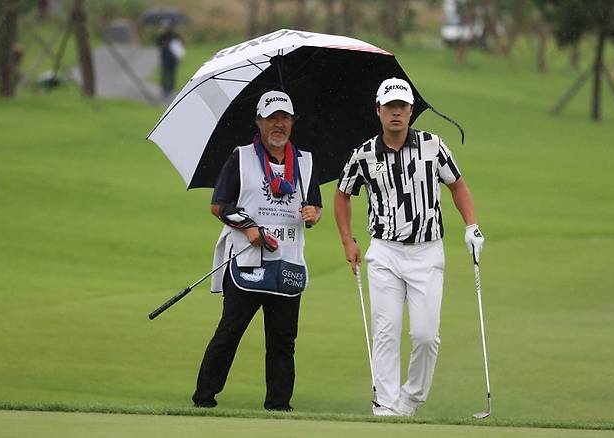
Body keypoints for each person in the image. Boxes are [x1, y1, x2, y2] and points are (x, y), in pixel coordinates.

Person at [333, 77, 485, 416]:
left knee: (425, 335)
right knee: (385, 332)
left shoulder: (434, 146)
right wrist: (348, 239)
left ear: (411, 111)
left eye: (402, 106)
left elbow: (458, 186)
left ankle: (411, 399)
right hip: (384, 251)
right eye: (390, 107)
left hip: (427, 251)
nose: (396, 113)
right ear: (379, 111)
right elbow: (342, 194)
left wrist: (472, 227)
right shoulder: (365, 154)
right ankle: (385, 406)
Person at [192, 90, 322, 411]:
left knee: (283, 342)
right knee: (229, 332)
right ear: (259, 122)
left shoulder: (304, 162)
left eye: (285, 118)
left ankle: (279, 405)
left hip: (287, 263)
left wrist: (313, 214)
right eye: (272, 118)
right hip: (247, 261)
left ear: (292, 122)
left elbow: (314, 206)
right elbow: (218, 205)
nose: (279, 124)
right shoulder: (241, 157)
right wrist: (249, 228)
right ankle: (204, 397)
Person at [156, 21, 184, 98]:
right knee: (166, 74)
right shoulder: (164, 36)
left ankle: (169, 89)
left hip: (171, 58)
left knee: (170, 74)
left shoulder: (174, 36)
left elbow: (179, 46)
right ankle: (166, 89)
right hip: (166, 58)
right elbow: (158, 43)